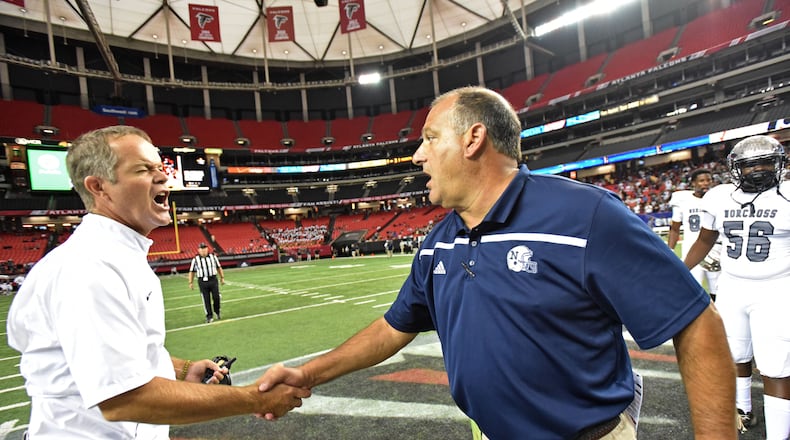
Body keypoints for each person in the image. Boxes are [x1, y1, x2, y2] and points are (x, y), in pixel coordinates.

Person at [260, 87, 737, 439]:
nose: (416, 155)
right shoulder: (439, 240)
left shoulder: (585, 215)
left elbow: (695, 320)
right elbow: (392, 328)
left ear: (473, 139)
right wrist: (310, 373)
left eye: (429, 138)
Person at [6, 126, 309, 439]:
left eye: (159, 166)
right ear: (99, 187)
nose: (163, 176)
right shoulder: (88, 268)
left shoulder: (116, 257)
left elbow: (119, 354)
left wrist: (179, 369)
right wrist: (253, 398)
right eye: (143, 169)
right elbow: (123, 398)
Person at [683, 134, 790, 439]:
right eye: (750, 165)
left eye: (766, 162)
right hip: (732, 287)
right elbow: (705, 239)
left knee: (777, 366)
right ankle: (744, 410)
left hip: (778, 288)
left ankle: (779, 435)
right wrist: (678, 270)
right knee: (736, 355)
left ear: (779, 164)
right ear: (735, 169)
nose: (758, 171)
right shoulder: (719, 196)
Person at [668, 168, 723, 300]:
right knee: (693, 292)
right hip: (692, 251)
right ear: (693, 183)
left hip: (715, 251)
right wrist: (669, 250)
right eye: (701, 181)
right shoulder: (682, 200)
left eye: (708, 180)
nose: (705, 183)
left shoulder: (718, 199)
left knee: (718, 292)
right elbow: (675, 229)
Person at [189, 242, 225, 323]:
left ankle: (217, 311)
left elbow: (219, 267)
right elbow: (192, 271)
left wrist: (222, 278)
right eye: (201, 249)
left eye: (205, 248)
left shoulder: (213, 257)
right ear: (198, 250)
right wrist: (190, 282)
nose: (203, 250)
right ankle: (209, 316)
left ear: (207, 249)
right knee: (206, 299)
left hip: (213, 279)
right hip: (202, 281)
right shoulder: (195, 260)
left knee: (216, 297)